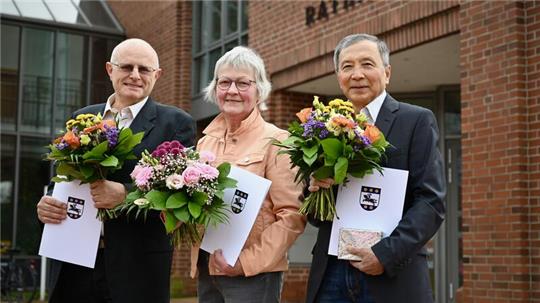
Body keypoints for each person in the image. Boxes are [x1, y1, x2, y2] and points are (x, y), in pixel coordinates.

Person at [36, 38, 196, 303]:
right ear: (110, 70)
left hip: (137, 269)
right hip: (74, 264)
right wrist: (46, 204)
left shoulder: (176, 124)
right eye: (127, 67)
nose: (135, 75)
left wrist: (126, 195)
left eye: (144, 69)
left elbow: (180, 196)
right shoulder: (82, 118)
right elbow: (61, 181)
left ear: (157, 76)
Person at [305, 34, 446, 303]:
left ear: (387, 72)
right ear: (338, 76)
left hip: (392, 273)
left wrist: (385, 254)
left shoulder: (415, 121)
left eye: (367, 64)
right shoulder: (322, 127)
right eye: (347, 66)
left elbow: (431, 201)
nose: (357, 74)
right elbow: (316, 216)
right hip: (332, 271)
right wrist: (315, 189)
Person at [190, 46, 307, 303]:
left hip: (253, 275)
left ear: (259, 89)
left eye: (243, 83)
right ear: (215, 88)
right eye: (225, 82)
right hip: (207, 268)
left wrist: (245, 263)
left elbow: (292, 217)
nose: (232, 90)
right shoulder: (204, 143)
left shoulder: (278, 141)